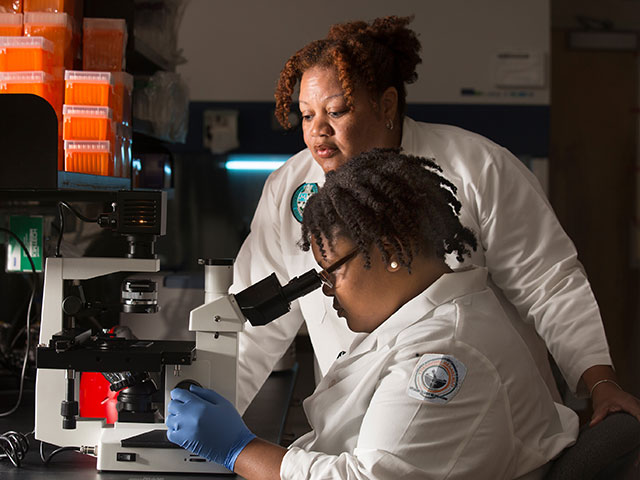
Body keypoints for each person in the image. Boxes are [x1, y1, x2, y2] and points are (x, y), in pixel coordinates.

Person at [231, 15, 640, 425]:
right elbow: (257, 323)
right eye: (306, 115)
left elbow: (549, 284)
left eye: (337, 111)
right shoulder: (290, 187)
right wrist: (206, 414)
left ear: (386, 104)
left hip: (489, 422)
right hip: (364, 428)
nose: (317, 131)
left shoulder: (475, 167)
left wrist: (600, 384)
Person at [166, 149, 579, 479]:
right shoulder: (420, 323)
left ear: (388, 250)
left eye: (332, 270)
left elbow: (370, 478)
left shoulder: (445, 355)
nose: (325, 288)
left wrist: (241, 450)